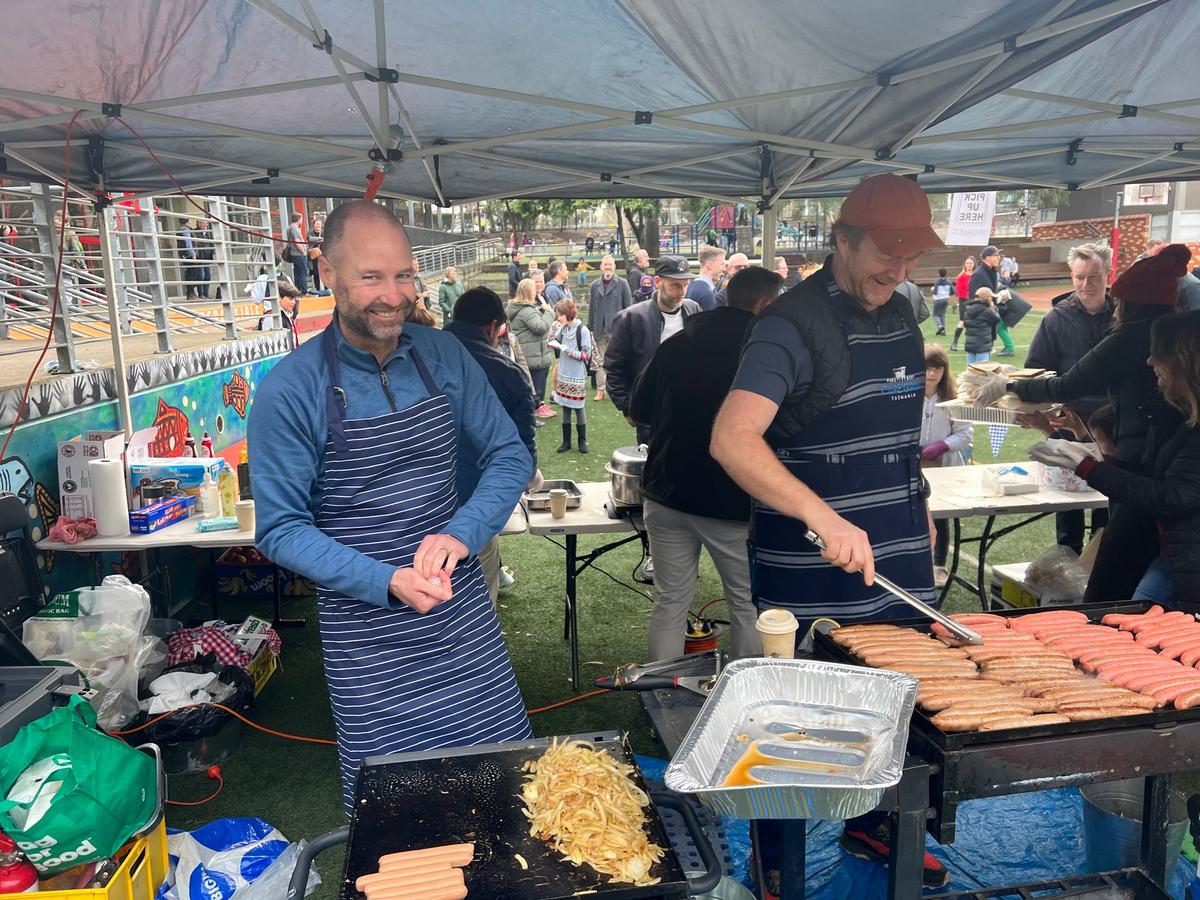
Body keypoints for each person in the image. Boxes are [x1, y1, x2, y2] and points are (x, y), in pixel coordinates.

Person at [249, 200, 533, 813]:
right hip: (366, 643)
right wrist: (386, 580)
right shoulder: (290, 390)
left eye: (403, 275)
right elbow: (281, 528)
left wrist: (461, 534)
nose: (394, 295)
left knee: (508, 795)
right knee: (397, 817)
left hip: (463, 619)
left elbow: (509, 456)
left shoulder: (443, 354)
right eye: (371, 277)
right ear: (327, 272)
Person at [709, 173, 947, 889]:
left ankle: (874, 826)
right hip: (809, 565)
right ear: (842, 240)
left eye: (910, 259)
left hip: (897, 556)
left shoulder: (904, 312)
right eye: (885, 255)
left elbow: (898, 436)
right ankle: (776, 862)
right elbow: (732, 439)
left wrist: (918, 506)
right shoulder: (789, 326)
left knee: (893, 707)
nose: (898, 272)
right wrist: (821, 515)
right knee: (793, 720)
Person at [975, 244, 1192, 605]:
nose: (1151, 362)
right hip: (1134, 458)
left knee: (1110, 588)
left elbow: (1068, 384)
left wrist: (1011, 386)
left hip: (1137, 465)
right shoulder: (1164, 330)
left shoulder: (1131, 335)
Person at [629, 266, 783, 662]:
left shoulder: (677, 342)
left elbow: (636, 412)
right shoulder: (764, 351)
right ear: (766, 303)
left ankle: (659, 690)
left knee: (670, 600)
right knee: (747, 603)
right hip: (729, 500)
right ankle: (747, 690)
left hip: (666, 492)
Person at [1031, 311, 1200, 609]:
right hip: (1175, 555)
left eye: (1158, 354)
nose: (1149, 361)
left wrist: (1089, 466)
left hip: (1185, 559)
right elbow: (1157, 481)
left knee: (1134, 621)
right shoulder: (1185, 421)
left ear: (1184, 363)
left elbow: (1173, 496)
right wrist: (1100, 463)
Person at [445, 286, 542, 602]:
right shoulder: (506, 372)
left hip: (410, 500)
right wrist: (532, 478)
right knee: (479, 596)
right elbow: (521, 455)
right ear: (492, 327)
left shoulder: (414, 357)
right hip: (475, 502)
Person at [1019, 242, 1114, 555]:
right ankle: (1068, 557)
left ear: (1108, 274)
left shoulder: (1124, 315)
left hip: (1115, 423)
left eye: (1094, 277)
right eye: (1079, 277)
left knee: (1109, 501)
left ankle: (1101, 558)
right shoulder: (1056, 318)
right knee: (1069, 501)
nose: (1086, 285)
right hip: (1069, 418)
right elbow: (1036, 369)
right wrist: (1052, 412)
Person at [605, 255, 702, 445]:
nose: (682, 292)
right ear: (658, 282)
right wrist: (627, 407)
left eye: (686, 285)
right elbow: (614, 368)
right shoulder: (631, 318)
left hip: (688, 408)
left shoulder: (693, 309)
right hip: (651, 413)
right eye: (675, 285)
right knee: (653, 461)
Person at [920, 343, 973, 587]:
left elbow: (965, 434)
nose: (932, 374)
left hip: (945, 466)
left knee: (940, 516)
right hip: (915, 463)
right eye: (928, 368)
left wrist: (943, 445)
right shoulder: (909, 396)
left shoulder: (953, 399)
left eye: (937, 369)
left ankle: (939, 565)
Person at [506, 278, 556, 419]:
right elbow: (540, 327)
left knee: (536, 381)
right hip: (532, 354)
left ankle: (538, 405)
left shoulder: (521, 308)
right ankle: (534, 408)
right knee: (535, 383)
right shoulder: (526, 311)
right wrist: (549, 312)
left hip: (532, 351)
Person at [547, 299, 593, 454]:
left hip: (577, 375)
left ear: (568, 314)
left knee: (579, 408)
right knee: (565, 407)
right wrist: (552, 333)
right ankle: (566, 442)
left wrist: (567, 350)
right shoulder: (563, 329)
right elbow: (551, 342)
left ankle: (582, 441)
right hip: (563, 373)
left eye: (560, 315)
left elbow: (586, 355)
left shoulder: (582, 330)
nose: (559, 318)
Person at [587, 254, 634, 402]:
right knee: (600, 361)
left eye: (610, 265)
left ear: (614, 267)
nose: (607, 268)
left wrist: (629, 326)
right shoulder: (594, 285)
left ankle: (619, 388)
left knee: (617, 360)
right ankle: (601, 390)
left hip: (617, 328)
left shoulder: (623, 284)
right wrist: (590, 326)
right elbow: (591, 308)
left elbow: (629, 307)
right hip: (599, 328)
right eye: (605, 265)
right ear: (601, 267)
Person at [970, 245, 1014, 356]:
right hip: (982, 321)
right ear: (987, 258)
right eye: (996, 255)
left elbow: (990, 293)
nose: (999, 257)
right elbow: (973, 298)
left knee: (985, 357)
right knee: (979, 358)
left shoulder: (993, 272)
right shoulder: (978, 274)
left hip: (990, 317)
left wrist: (999, 296)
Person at [963, 287, 1001, 364]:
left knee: (970, 369)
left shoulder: (968, 309)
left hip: (970, 344)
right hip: (983, 345)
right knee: (983, 369)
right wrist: (992, 307)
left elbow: (965, 324)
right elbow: (997, 319)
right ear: (987, 298)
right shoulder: (986, 311)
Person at [686, 245, 725, 311]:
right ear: (709, 265)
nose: (724, 269)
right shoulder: (706, 293)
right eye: (722, 264)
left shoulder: (690, 287)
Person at [949, 256, 975, 351]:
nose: (969, 265)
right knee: (962, 322)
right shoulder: (961, 277)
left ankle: (971, 343)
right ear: (965, 264)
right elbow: (959, 292)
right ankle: (954, 343)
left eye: (971, 263)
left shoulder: (976, 276)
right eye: (967, 263)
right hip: (964, 302)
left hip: (975, 302)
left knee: (973, 322)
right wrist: (969, 297)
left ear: (974, 264)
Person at [285, 213, 308, 294]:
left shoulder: (290, 228)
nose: (302, 221)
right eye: (301, 219)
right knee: (302, 273)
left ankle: (297, 290)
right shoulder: (294, 229)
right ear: (298, 220)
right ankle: (303, 291)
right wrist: (303, 252)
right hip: (299, 254)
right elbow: (297, 242)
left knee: (297, 273)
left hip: (294, 254)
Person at [178, 218, 201, 300]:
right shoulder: (186, 230)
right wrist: (193, 254)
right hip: (188, 255)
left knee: (191, 273)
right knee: (192, 274)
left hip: (185, 255)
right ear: (188, 221)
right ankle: (190, 293)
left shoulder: (182, 229)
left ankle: (191, 293)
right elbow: (188, 243)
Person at [930, 268, 953, 336]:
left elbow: (935, 292)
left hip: (938, 299)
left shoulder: (937, 282)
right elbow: (953, 291)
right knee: (942, 315)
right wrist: (947, 293)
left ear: (938, 274)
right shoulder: (949, 282)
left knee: (935, 315)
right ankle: (943, 332)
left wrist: (932, 289)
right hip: (945, 299)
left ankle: (940, 326)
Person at [308, 213, 325, 293]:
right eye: (316, 224)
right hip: (314, 256)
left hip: (323, 255)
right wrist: (320, 239)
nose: (318, 225)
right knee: (316, 273)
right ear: (314, 225)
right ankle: (318, 289)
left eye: (319, 224)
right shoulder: (310, 233)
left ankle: (326, 288)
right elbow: (309, 239)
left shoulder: (323, 232)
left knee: (325, 271)